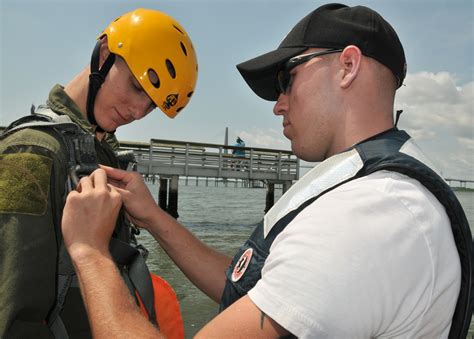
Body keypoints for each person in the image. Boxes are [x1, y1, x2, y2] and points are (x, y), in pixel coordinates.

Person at [60, 3, 472, 338]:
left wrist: (90, 251)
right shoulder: (374, 183)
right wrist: (154, 217)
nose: (278, 103)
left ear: (348, 66)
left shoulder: (369, 216)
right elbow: (252, 289)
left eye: (286, 79)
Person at [0, 8, 197, 338]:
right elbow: (14, 313)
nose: (137, 112)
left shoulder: (103, 152)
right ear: (104, 54)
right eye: (136, 86)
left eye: (151, 104)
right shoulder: (33, 151)